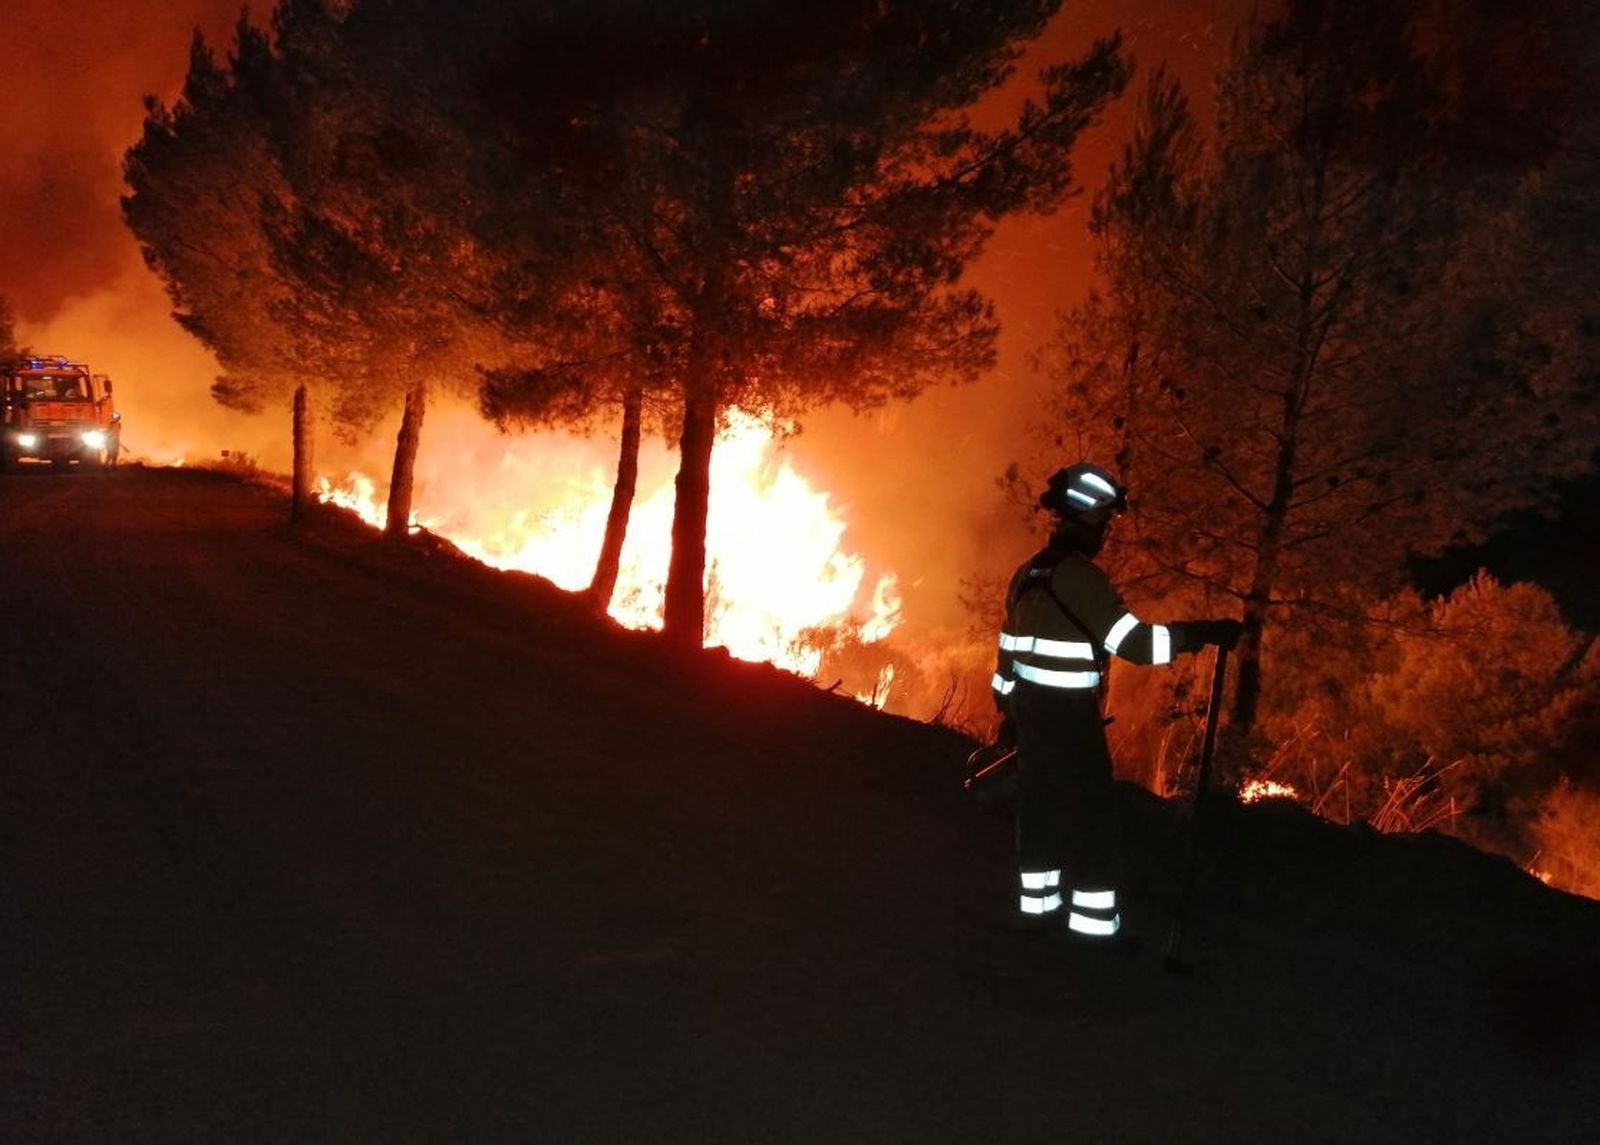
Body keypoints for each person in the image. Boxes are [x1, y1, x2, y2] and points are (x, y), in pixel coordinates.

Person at [991, 462, 1239, 944]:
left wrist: (1008, 713)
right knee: (1092, 818)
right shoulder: (1083, 578)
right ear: (1087, 522)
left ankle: (1036, 914)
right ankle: (1094, 928)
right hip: (1069, 720)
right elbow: (1136, 645)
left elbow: (1006, 654)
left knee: (1039, 812)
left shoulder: (1026, 573)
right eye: (1103, 524)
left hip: (1030, 715)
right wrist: (1201, 634)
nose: (1104, 534)